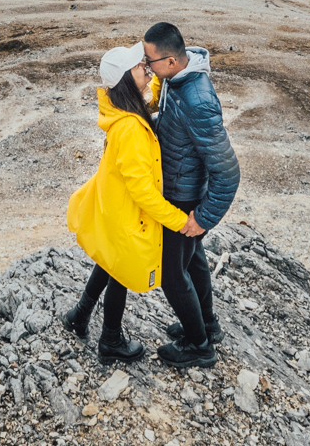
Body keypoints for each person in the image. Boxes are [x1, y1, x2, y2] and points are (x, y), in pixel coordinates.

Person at [62, 42, 191, 363]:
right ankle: (110, 340)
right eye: (140, 67)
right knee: (120, 271)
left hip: (110, 204)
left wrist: (160, 73)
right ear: (123, 80)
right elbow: (144, 193)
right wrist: (178, 220)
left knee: (109, 261)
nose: (146, 68)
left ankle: (79, 315)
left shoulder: (118, 107)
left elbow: (146, 89)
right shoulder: (131, 129)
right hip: (125, 212)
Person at [145, 20, 239, 368]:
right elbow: (177, 131)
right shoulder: (175, 81)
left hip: (184, 200)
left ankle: (200, 348)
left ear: (171, 61)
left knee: (172, 275)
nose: (145, 66)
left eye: (149, 60)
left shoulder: (197, 100)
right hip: (181, 190)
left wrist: (203, 217)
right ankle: (207, 325)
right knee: (194, 260)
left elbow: (228, 172)